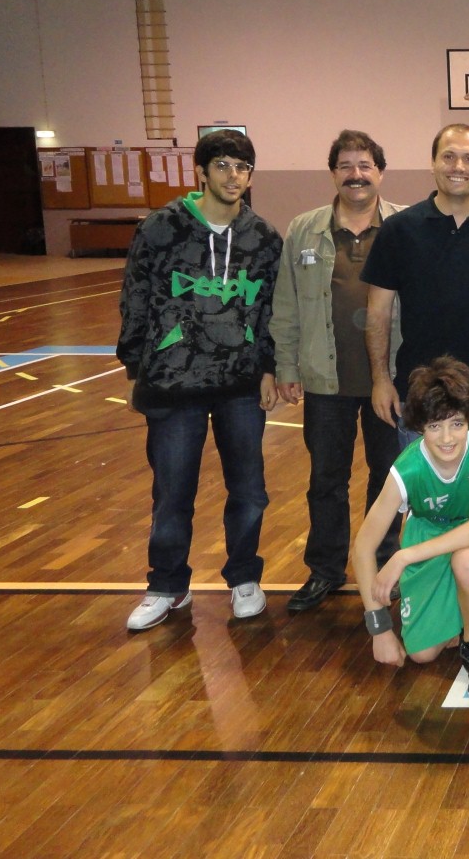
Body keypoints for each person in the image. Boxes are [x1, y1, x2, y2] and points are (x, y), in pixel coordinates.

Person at [361, 123, 469, 614]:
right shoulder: (400, 229)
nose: (458, 167)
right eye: (449, 157)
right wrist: (380, 378)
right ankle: (425, 581)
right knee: (422, 495)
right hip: (420, 393)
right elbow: (377, 311)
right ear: (433, 162)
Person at [118, 128, 282, 631]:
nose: (234, 176)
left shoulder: (263, 238)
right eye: (224, 165)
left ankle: (244, 578)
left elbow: (273, 310)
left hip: (240, 386)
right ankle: (167, 585)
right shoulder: (160, 228)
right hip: (173, 384)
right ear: (201, 172)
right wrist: (134, 368)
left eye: (243, 167)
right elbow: (135, 297)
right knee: (172, 493)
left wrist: (270, 367)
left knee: (249, 491)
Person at [271, 130, 406, 614]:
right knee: (326, 479)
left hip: (390, 379)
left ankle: (383, 564)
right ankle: (325, 569)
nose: (356, 174)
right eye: (346, 166)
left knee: (388, 479)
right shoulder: (303, 230)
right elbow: (286, 304)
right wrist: (286, 365)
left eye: (365, 165)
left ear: (380, 172)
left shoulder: (404, 226)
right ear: (333, 173)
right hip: (325, 379)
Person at [351, 357, 469, 703]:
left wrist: (402, 557)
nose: (447, 437)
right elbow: (362, 548)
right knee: (422, 654)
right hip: (430, 530)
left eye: (457, 423)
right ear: (420, 425)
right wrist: (380, 629)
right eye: (435, 426)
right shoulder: (407, 469)